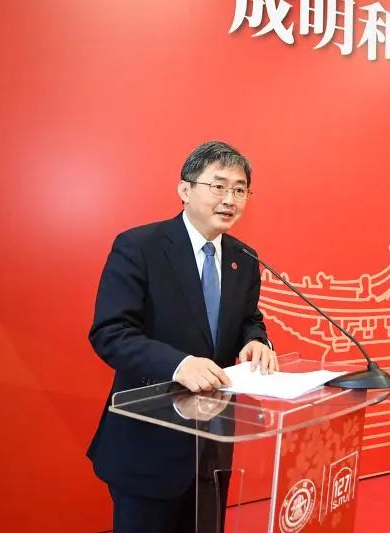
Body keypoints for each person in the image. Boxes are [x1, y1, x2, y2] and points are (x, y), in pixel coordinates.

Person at [87, 140, 278, 532]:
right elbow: (111, 333)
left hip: (213, 444)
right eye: (218, 186)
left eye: (240, 190)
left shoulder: (244, 258)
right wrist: (179, 364)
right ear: (185, 190)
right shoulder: (139, 246)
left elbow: (248, 318)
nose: (230, 199)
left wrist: (256, 340)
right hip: (148, 442)